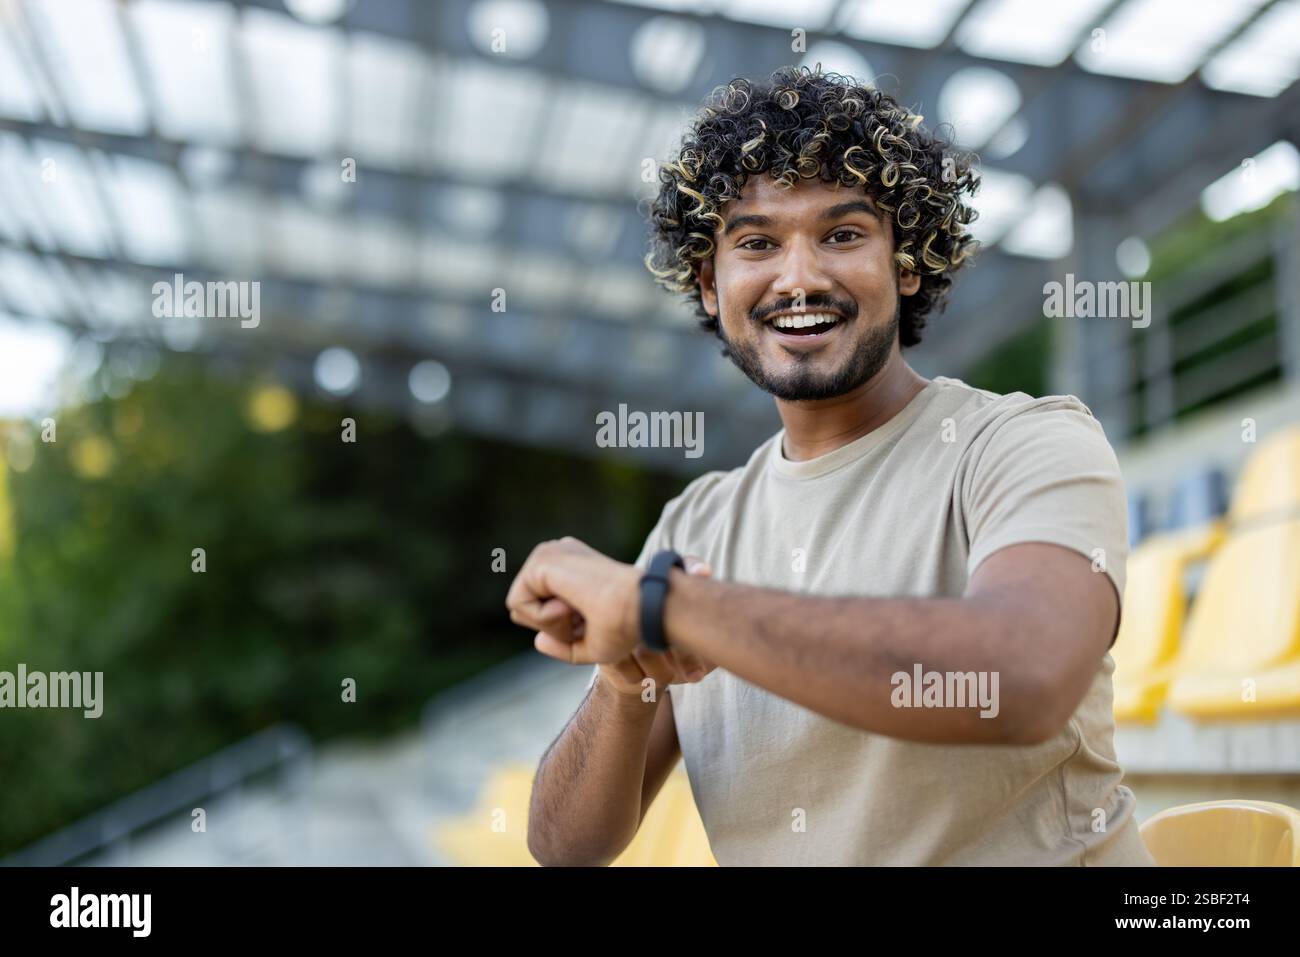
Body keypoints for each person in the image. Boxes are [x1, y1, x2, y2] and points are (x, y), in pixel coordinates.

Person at [509, 65, 1154, 867]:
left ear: (906, 263)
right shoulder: (696, 523)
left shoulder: (1026, 444)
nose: (801, 277)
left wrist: (664, 603)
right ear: (711, 284)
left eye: (843, 234)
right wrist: (622, 676)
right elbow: (564, 849)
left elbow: (1020, 676)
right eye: (756, 242)